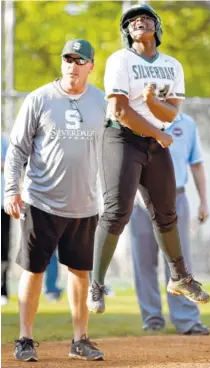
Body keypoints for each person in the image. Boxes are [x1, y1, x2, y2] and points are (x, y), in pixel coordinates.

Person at [87, 4, 210, 314]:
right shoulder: (121, 60)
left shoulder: (172, 65)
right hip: (121, 138)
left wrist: (154, 102)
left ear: (156, 26)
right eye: (131, 21)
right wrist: (157, 133)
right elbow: (119, 110)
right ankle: (97, 285)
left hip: (155, 139)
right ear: (127, 32)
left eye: (144, 18)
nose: (138, 22)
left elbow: (171, 112)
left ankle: (180, 278)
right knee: (117, 211)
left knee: (167, 214)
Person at [4, 38, 106, 362]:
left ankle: (80, 340)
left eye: (79, 60)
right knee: (33, 270)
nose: (72, 66)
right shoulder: (40, 99)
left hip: (85, 203)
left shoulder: (102, 102)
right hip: (42, 201)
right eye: (67, 59)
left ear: (91, 66)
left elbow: (115, 147)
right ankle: (25, 339)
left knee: (80, 272)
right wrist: (11, 190)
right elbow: (17, 150)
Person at [128, 112, 210, 335]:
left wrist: (204, 202)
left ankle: (187, 320)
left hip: (176, 198)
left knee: (180, 262)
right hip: (140, 202)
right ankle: (152, 318)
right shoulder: (135, 118)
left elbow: (197, 165)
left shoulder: (188, 124)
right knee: (143, 262)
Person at [1, 133, 11, 306]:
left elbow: (14, 163)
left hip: (2, 205)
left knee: (3, 250)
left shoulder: (4, 140)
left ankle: (3, 290)